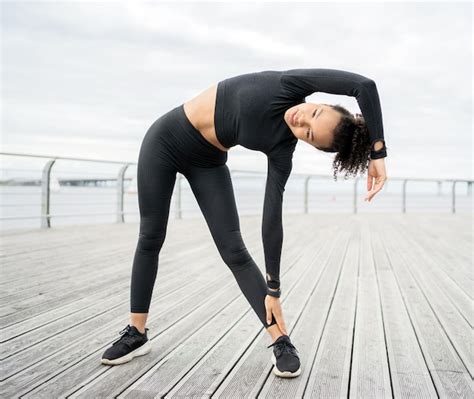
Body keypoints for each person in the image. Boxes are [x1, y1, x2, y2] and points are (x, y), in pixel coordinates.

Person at [101, 68, 388, 378]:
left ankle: (281, 341)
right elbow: (364, 85)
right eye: (314, 112)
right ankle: (136, 332)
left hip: (207, 162)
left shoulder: (282, 149)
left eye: (308, 133)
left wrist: (274, 288)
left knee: (234, 251)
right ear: (320, 101)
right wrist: (378, 152)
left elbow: (271, 216)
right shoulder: (289, 86)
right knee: (150, 237)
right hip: (165, 140)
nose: (301, 121)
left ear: (310, 144)